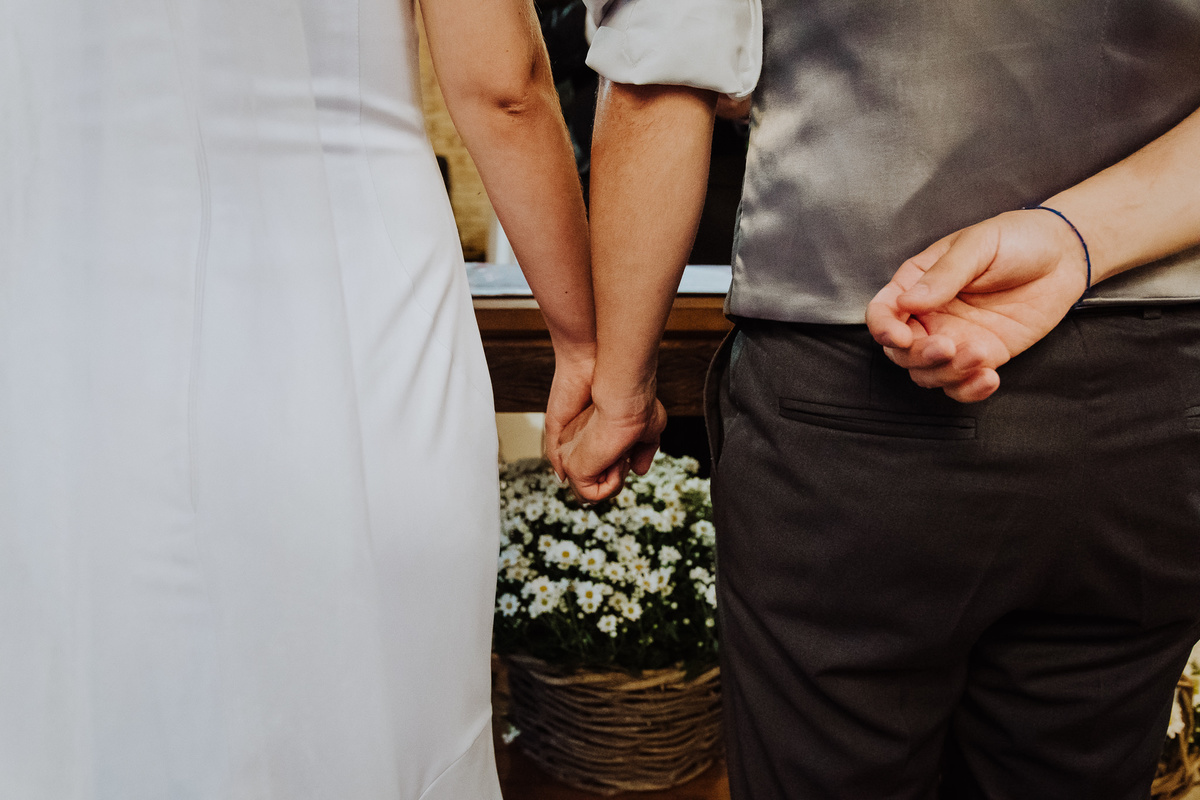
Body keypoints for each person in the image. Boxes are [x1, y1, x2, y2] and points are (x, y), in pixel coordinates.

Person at [558, 1, 1200, 797]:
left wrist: (619, 388)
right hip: (1158, 397)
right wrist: (1075, 237)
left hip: (856, 388)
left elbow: (661, 73)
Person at [0, 1, 592, 797]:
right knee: (370, 707)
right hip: (356, 321)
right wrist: (583, 341)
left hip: (68, 339)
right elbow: (502, 87)